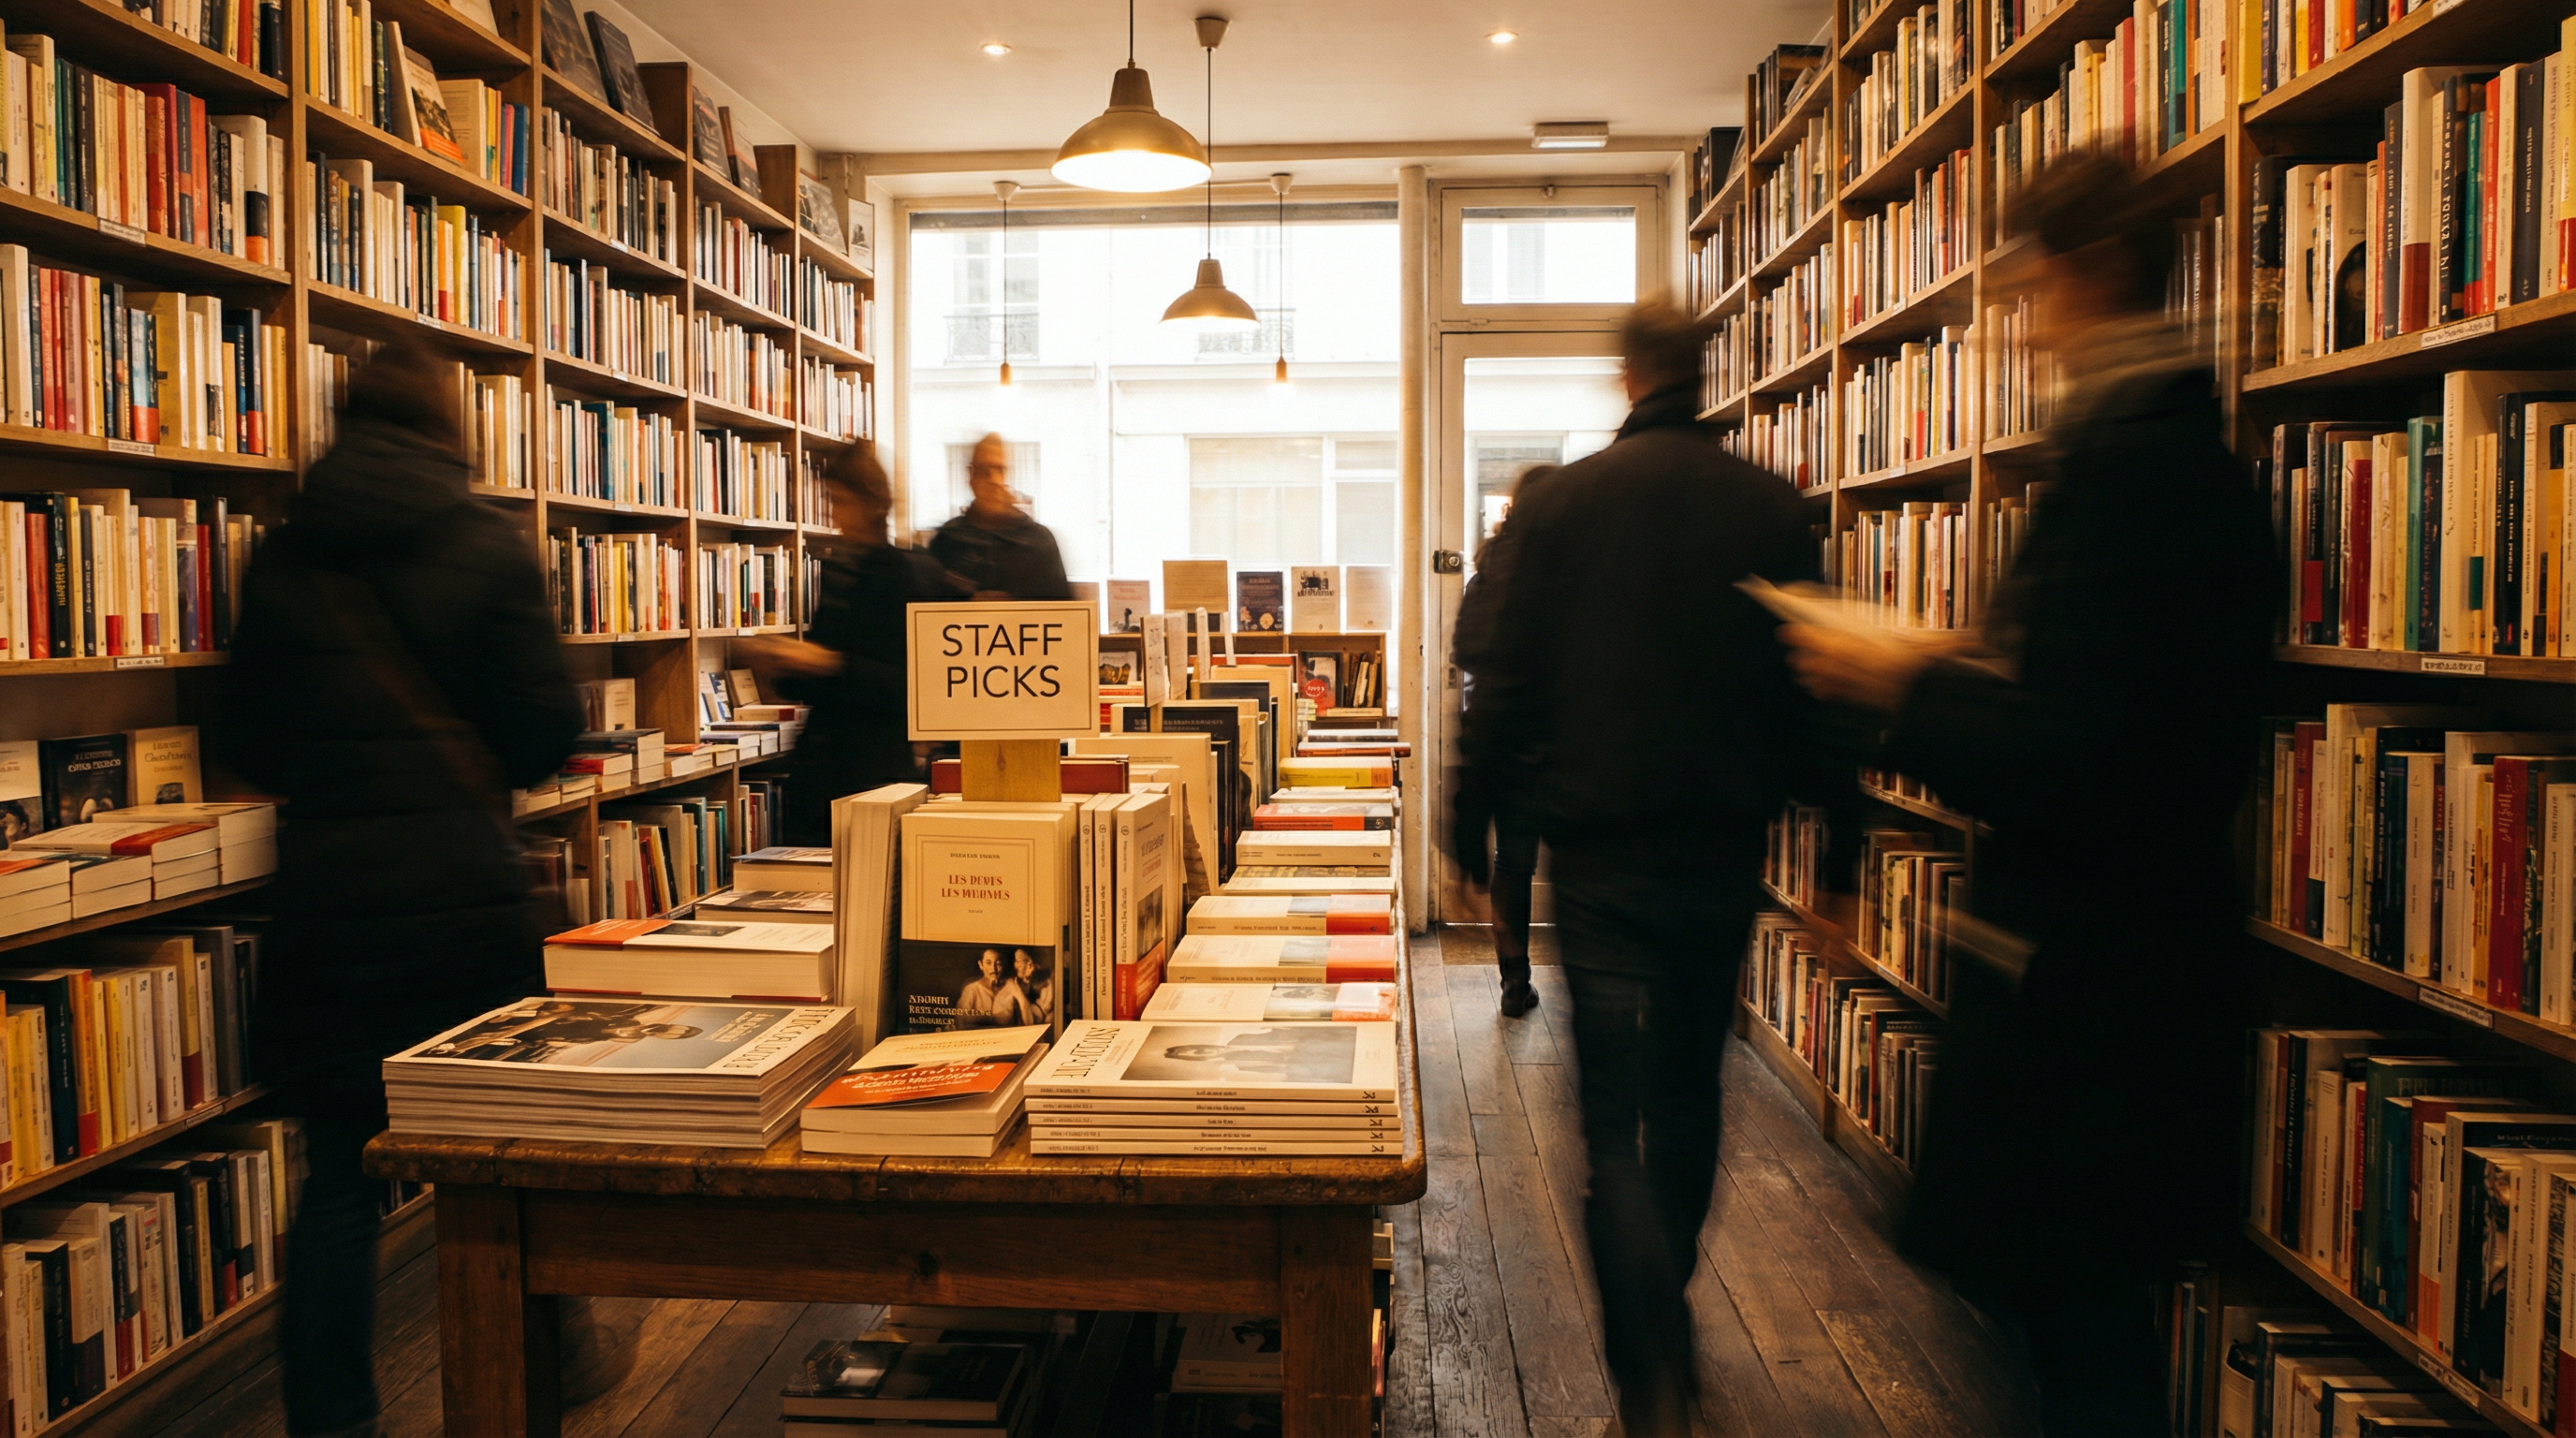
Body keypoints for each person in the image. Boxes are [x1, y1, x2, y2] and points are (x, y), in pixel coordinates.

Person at [1779, 154, 2274, 1435]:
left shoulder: (2139, 475)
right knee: (2072, 1332)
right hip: (2112, 976)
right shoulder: (2149, 457)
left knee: (2080, 1343)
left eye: (2030, 288)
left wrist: (1902, 683)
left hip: (2097, 994)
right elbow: (2106, 715)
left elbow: (2088, 755)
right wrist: (1948, 675)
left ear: (2091, 272)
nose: (2022, 325)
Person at [1449, 298, 1832, 1436]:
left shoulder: (1561, 505)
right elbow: (1816, 683)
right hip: (1718, 852)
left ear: (1626, 377)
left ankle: (1647, 1367)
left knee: (1609, 1121)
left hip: (1600, 856)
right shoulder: (1768, 506)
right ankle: (1666, 1316)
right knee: (1691, 1094)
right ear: (1701, 373)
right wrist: (1846, 847)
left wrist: (1466, 825)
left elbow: (1502, 677)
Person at [218, 345, 587, 1438]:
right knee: (506, 1156)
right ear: (447, 424)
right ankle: (540, 1374)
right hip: (460, 901)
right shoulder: (488, 543)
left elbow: (244, 740)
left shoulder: (284, 555)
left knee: (337, 1181)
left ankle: (331, 1420)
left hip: (329, 906)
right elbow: (545, 730)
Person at [747, 443, 963, 847]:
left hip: (873, 769)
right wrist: (784, 666)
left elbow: (912, 686)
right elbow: (817, 679)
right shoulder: (840, 569)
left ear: (872, 503)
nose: (834, 513)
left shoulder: (903, 574)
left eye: (840, 501)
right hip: (819, 766)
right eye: (830, 500)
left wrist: (828, 663)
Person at [1450, 462, 1561, 1019]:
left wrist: (1467, 828)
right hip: (1567, 748)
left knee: (1512, 863)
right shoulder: (1577, 573)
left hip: (1509, 746)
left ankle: (1515, 981)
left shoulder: (1489, 575)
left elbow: (1473, 665)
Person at [929, 433, 1072, 599]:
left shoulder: (1039, 542)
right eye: (983, 471)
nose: (994, 480)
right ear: (971, 477)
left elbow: (1063, 610)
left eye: (1000, 470)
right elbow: (930, 608)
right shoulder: (947, 541)